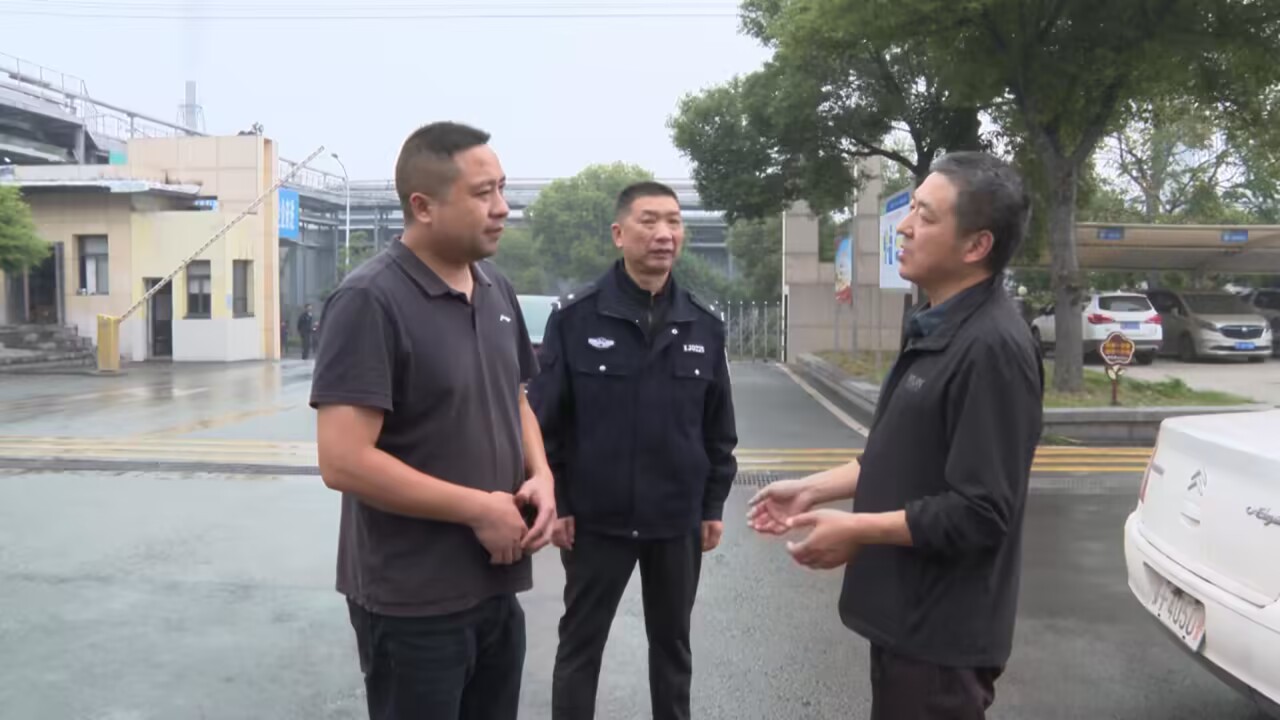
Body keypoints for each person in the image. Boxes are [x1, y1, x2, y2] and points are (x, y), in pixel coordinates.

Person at [748, 151, 1043, 719]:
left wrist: (856, 529)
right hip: (907, 621)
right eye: (910, 210)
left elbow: (981, 512)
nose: (904, 227)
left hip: (941, 638)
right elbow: (902, 453)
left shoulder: (992, 348)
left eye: (925, 216)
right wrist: (813, 489)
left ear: (976, 245)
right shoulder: (937, 325)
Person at [309, 121, 556, 720]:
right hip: (412, 602)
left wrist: (543, 475)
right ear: (422, 206)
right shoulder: (370, 300)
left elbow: (516, 397)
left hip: (496, 586)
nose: (502, 208)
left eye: (502, 189)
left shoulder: (495, 289)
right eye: (482, 193)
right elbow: (343, 461)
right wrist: (478, 509)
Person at [527, 181, 739, 720]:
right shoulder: (576, 318)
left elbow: (718, 429)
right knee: (581, 645)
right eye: (649, 221)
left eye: (673, 221)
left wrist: (712, 505)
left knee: (673, 650)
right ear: (619, 234)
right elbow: (547, 422)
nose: (664, 234)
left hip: (676, 519)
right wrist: (561, 502)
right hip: (596, 520)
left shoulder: (703, 323)